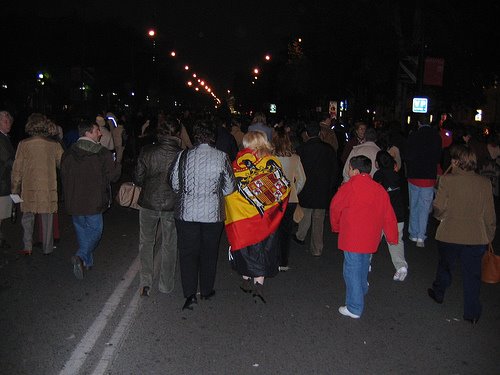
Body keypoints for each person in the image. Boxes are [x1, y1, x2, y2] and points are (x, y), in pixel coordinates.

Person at [168, 121, 235, 311]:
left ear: (196, 138)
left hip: (186, 214)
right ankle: (206, 291)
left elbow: (174, 183)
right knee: (209, 253)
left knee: (187, 254)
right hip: (212, 215)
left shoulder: (182, 156)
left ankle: (190, 295)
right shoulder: (222, 157)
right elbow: (230, 187)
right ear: (212, 138)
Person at [428, 145, 496, 324]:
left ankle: (438, 293)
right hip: (475, 237)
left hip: (450, 233)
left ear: (457, 161)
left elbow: (439, 208)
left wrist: (439, 216)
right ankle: (472, 313)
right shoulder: (484, 183)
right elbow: (490, 214)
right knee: (472, 275)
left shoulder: (447, 180)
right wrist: (489, 234)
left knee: (445, 267)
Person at [225, 131, 290, 303]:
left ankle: (246, 279)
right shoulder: (272, 160)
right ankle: (258, 284)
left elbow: (230, 189)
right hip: (266, 215)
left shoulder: (238, 162)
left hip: (243, 216)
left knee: (245, 247)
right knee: (264, 247)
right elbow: (282, 186)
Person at [330, 155, 398, 319]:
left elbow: (335, 208)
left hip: (352, 236)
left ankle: (354, 307)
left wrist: (336, 226)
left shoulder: (349, 187)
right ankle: (361, 289)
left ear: (354, 170)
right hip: (371, 237)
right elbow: (389, 215)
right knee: (362, 265)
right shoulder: (378, 189)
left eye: (350, 168)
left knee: (351, 270)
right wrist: (392, 236)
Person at [61, 119, 121, 279]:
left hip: (73, 200)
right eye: (97, 131)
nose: (100, 133)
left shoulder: (67, 153)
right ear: (87, 133)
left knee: (82, 230)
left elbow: (63, 176)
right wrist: (118, 163)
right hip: (93, 200)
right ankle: (80, 256)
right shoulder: (102, 153)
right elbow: (114, 176)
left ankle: (86, 262)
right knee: (95, 230)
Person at [134, 117, 182, 297]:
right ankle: (166, 284)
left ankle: (145, 282)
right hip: (172, 204)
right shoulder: (182, 154)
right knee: (170, 244)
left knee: (146, 242)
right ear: (177, 133)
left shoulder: (147, 151)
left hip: (148, 202)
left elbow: (138, 179)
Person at [11, 113, 64, 255]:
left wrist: (15, 189)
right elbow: (62, 164)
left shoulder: (23, 144)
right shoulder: (54, 145)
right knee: (47, 218)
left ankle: (27, 246)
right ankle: (47, 247)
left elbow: (17, 169)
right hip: (47, 188)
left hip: (29, 187)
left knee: (27, 218)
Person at [294, 122, 338, 257]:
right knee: (319, 219)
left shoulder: (301, 149)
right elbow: (334, 171)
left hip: (307, 188)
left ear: (307, 134)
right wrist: (331, 188)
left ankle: (300, 236)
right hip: (322, 189)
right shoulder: (329, 149)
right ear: (320, 133)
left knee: (305, 214)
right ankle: (317, 248)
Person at [272, 126, 306, 271]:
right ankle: (283, 262)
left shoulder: (269, 158)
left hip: (272, 199)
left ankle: (271, 259)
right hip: (290, 198)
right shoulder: (295, 158)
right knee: (286, 231)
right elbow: (302, 179)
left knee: (272, 230)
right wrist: (294, 191)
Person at [406, 116, 441, 248]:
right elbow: (438, 157)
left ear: (419, 123)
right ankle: (421, 235)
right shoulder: (436, 137)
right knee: (425, 207)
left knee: (413, 205)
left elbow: (408, 155)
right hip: (429, 177)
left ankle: (413, 233)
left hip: (414, 175)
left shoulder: (413, 136)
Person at [373, 150, 408, 281]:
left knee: (374, 238)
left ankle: (367, 263)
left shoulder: (378, 176)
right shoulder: (398, 176)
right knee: (396, 240)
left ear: (377, 163)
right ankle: (401, 266)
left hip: (382, 214)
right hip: (398, 213)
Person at [0, 111, 15, 249]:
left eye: (9, 121)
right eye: (5, 121)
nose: (8, 123)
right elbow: (7, 159)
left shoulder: (5, 137)